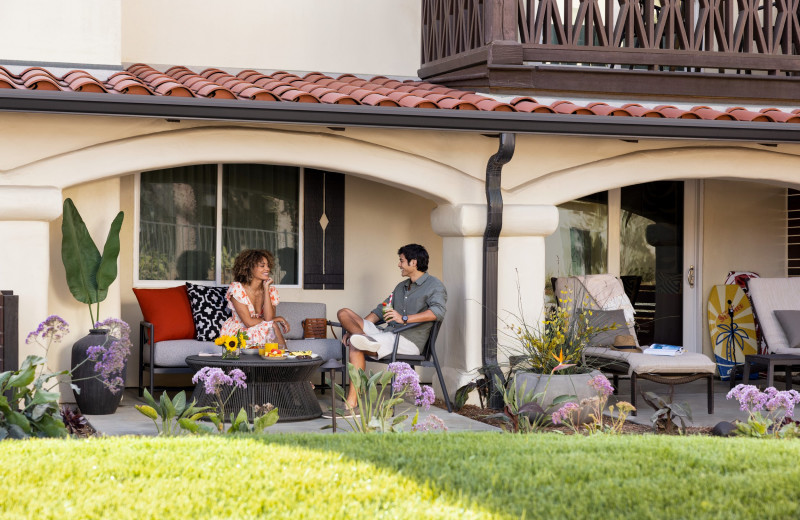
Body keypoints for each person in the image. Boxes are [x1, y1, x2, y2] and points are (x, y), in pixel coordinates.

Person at [336, 244, 447, 413]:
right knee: (344, 313)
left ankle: (351, 404)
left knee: (356, 346)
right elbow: (381, 309)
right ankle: (361, 337)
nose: (399, 265)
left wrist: (404, 318)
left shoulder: (434, 286)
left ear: (414, 262)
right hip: (387, 334)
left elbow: (437, 312)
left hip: (408, 340)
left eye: (401, 261)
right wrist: (356, 328)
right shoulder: (401, 286)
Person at [219, 249, 289, 347]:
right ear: (248, 267)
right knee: (272, 325)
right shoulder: (237, 289)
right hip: (240, 331)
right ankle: (282, 356)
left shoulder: (270, 290)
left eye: (268, 265)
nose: (267, 269)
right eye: (262, 266)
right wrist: (277, 319)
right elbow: (248, 322)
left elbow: (269, 318)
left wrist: (266, 289)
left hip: (261, 327)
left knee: (271, 326)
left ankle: (278, 356)